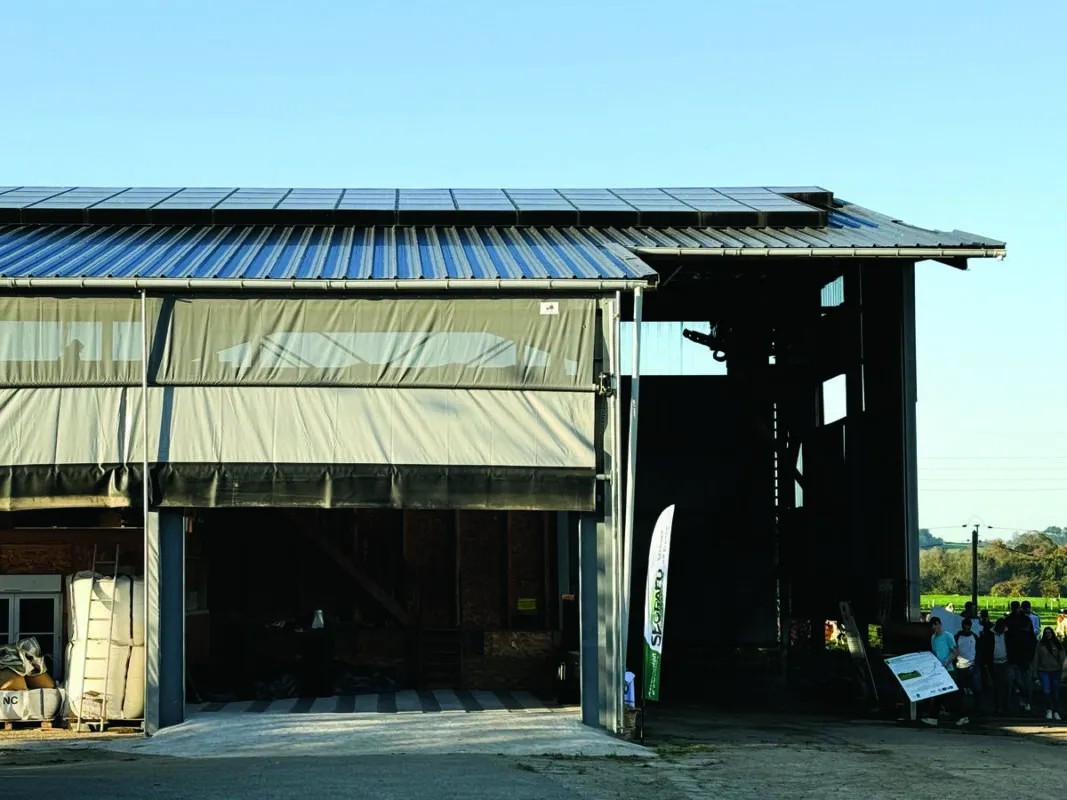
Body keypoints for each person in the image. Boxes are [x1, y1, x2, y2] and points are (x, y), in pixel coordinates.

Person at [929, 617, 965, 722]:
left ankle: (960, 716)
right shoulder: (933, 638)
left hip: (948, 669)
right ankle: (934, 717)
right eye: (933, 626)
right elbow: (935, 653)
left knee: (952, 694)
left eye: (936, 625)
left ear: (940, 624)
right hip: (939, 670)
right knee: (940, 694)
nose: (934, 628)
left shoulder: (948, 636)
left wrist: (946, 662)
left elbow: (955, 652)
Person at [1005, 601, 1037, 712]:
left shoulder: (1014, 620)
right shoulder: (1021, 620)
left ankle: (1025, 701)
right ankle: (1023, 701)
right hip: (1017, 655)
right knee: (1019, 681)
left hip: (1022, 655)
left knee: (1024, 682)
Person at [1033, 628, 1065, 721]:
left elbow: (1062, 657)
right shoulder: (1040, 644)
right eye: (1046, 633)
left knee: (1055, 692)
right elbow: (1036, 658)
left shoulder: (1057, 644)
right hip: (1043, 671)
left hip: (1055, 671)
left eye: (1049, 633)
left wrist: (1063, 671)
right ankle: (1048, 709)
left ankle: (1056, 711)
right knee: (1046, 691)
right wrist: (1035, 671)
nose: (1048, 635)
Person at [955, 618, 981, 707]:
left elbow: (979, 651)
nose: (966, 629)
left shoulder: (974, 637)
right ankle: (960, 708)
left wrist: (976, 663)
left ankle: (978, 707)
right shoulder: (958, 637)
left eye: (968, 627)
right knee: (960, 689)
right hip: (960, 666)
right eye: (965, 627)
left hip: (972, 665)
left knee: (976, 688)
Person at [991, 619, 1011, 714]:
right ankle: (997, 706)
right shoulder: (990, 634)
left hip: (1005, 662)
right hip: (994, 663)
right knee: (996, 685)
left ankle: (1005, 705)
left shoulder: (1007, 634)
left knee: (1006, 685)